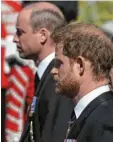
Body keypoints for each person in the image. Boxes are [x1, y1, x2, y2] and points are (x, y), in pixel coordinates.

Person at [13, 2, 74, 142]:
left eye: (20, 32)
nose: (14, 39)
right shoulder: (45, 75)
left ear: (43, 35)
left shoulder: (58, 77)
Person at [51, 22, 113, 142]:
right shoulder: (92, 112)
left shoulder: (105, 120)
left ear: (80, 65)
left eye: (59, 63)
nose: (53, 71)